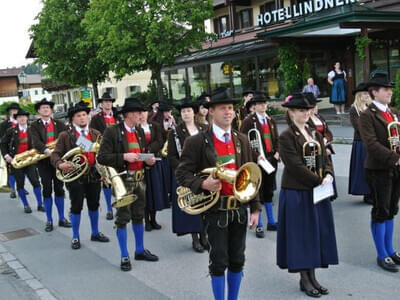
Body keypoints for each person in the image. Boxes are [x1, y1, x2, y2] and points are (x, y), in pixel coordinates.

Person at [176, 88, 261, 300]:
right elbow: (182, 173)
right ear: (211, 111)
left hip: (239, 209)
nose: (228, 112)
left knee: (238, 259)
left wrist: (256, 208)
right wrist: (203, 183)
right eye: (223, 108)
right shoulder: (197, 141)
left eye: (231, 108)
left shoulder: (241, 139)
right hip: (215, 210)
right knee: (219, 261)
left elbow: (251, 176)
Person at [277, 93, 338, 298]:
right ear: (292, 112)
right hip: (297, 192)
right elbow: (294, 166)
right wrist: (318, 180)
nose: (306, 113)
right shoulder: (286, 136)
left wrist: (328, 174)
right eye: (301, 110)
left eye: (308, 110)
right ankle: (304, 279)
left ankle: (312, 277)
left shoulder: (315, 132)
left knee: (315, 235)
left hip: (316, 191)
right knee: (302, 236)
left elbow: (325, 157)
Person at [97, 97, 158, 272]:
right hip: (123, 180)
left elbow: (142, 154)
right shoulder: (112, 132)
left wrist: (149, 160)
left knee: (139, 215)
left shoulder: (139, 131)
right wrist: (124, 156)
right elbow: (102, 157)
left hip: (140, 179)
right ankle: (124, 255)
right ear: (129, 114)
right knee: (123, 218)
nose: (142, 115)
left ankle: (139, 250)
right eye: (139, 112)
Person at [51, 102, 110, 249]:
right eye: (79, 116)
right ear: (73, 119)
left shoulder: (96, 133)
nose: (83, 118)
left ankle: (95, 233)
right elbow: (55, 154)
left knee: (94, 205)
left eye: (84, 115)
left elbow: (102, 154)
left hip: (93, 175)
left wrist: (104, 171)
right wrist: (60, 164)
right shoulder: (66, 135)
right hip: (75, 176)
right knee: (76, 206)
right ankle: (75, 236)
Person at [359, 73, 400, 272]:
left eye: (390, 88)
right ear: (374, 92)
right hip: (378, 169)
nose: (390, 92)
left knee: (392, 208)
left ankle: (390, 249)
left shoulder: (393, 113)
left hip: (394, 167)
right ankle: (381, 254)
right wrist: (395, 157)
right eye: (386, 89)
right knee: (380, 211)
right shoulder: (367, 115)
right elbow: (371, 144)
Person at [167, 98, 208, 252]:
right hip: (186, 174)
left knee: (204, 204)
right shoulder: (175, 132)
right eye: (183, 111)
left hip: (203, 174)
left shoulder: (204, 128)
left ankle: (204, 235)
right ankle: (195, 239)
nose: (186, 113)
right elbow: (171, 156)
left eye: (189, 110)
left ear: (194, 112)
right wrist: (184, 170)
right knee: (192, 205)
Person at [240, 92, 279, 238]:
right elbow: (244, 142)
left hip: (271, 158)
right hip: (258, 160)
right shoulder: (249, 121)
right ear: (254, 106)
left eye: (264, 103)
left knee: (269, 190)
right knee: (258, 192)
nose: (263, 106)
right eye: (259, 104)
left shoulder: (271, 120)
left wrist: (278, 153)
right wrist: (256, 157)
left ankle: (271, 221)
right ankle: (259, 225)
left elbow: (277, 139)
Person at [30, 98, 71, 232]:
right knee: (47, 189)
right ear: (39, 111)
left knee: (59, 189)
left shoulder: (60, 124)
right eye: (43, 108)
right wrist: (48, 151)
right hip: (43, 162)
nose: (46, 109)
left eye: (47, 107)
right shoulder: (34, 126)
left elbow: (67, 139)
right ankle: (49, 220)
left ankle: (61, 218)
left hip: (59, 162)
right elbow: (35, 142)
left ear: (51, 110)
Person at [0, 109, 44, 213]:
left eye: (24, 116)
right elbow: (2, 144)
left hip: (30, 161)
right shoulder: (11, 131)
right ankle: (26, 205)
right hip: (17, 161)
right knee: (20, 184)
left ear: (27, 118)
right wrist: (6, 156)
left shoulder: (32, 130)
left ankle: (40, 204)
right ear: (17, 119)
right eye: (19, 117)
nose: (22, 118)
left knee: (36, 182)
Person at [89, 92, 122, 220]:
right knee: (107, 181)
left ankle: (120, 205)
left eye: (109, 101)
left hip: (118, 152)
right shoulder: (96, 118)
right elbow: (91, 135)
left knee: (118, 179)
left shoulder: (118, 117)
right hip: (104, 152)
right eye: (105, 101)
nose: (108, 103)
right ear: (101, 104)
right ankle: (109, 208)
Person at [140, 107, 168, 231]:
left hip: (154, 161)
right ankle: (146, 220)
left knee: (155, 192)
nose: (142, 115)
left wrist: (150, 150)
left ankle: (153, 219)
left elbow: (160, 141)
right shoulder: (135, 128)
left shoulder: (155, 126)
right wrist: (144, 154)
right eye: (140, 113)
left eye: (144, 112)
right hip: (141, 163)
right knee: (145, 193)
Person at [306, 92, 338, 200]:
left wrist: (326, 139)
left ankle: (328, 193)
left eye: (316, 105)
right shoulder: (307, 121)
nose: (316, 107)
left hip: (325, 148)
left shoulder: (320, 118)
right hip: (315, 150)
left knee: (328, 170)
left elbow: (328, 132)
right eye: (313, 106)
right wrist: (322, 146)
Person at [348, 83, 372, 204]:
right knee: (363, 169)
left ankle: (373, 192)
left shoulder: (371, 107)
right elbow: (358, 127)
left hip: (372, 142)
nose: (367, 95)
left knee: (373, 168)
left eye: (368, 93)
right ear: (359, 95)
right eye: (364, 94)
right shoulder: (354, 109)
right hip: (361, 143)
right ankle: (366, 193)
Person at [0, 102, 20, 199]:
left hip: (21, 150)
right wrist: (5, 153)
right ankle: (13, 189)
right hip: (9, 150)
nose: (14, 112)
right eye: (12, 111)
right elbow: (2, 139)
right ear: (9, 112)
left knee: (23, 170)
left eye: (15, 110)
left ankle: (21, 187)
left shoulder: (23, 121)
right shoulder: (4, 124)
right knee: (11, 171)